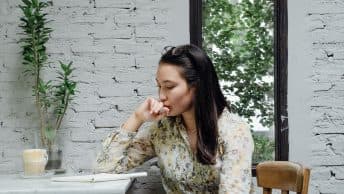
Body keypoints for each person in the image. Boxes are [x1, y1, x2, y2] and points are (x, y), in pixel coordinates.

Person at [95, 44, 254, 194]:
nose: (161, 96)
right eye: (159, 86)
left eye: (169, 87)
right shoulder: (162, 130)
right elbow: (105, 168)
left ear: (196, 86)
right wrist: (137, 118)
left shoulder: (234, 131)